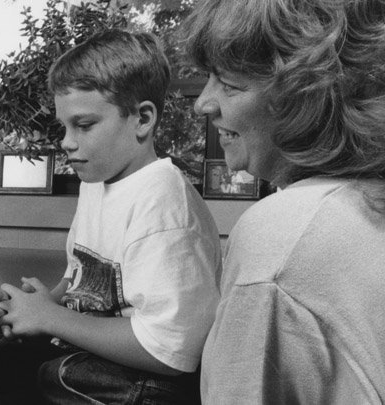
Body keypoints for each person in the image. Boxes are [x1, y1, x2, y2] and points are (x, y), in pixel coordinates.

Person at [0, 29, 222, 404]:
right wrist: (41, 306)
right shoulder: (97, 180)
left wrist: (50, 318)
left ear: (142, 119)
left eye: (84, 125)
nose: (66, 141)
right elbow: (80, 276)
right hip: (97, 358)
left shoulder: (163, 202)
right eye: (64, 126)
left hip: (152, 382)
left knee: (52, 376)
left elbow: (169, 352)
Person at [183, 0, 385, 402]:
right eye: (208, 78)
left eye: (230, 83)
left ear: (307, 97)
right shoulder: (364, 203)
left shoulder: (284, 235)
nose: (203, 103)